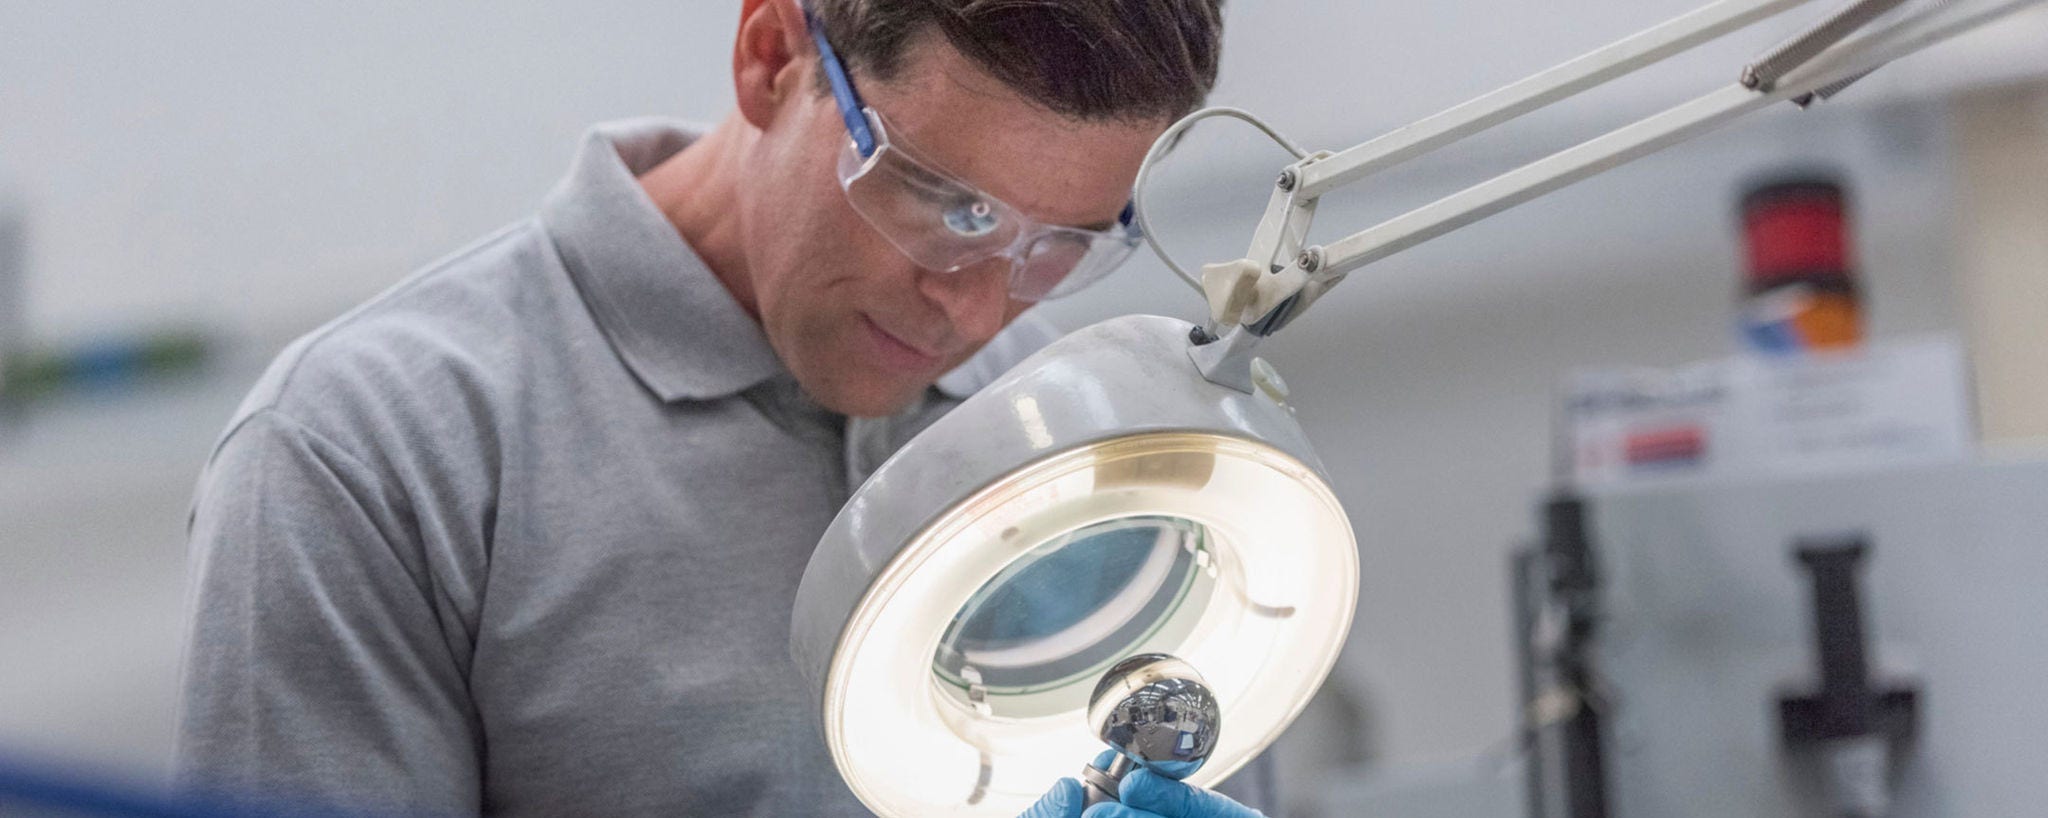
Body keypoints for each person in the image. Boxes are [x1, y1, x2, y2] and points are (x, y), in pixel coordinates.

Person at [174, 0, 1266, 816]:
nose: (976, 309)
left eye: (1057, 245)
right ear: (769, 56)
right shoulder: (369, 451)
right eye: (950, 206)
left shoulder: (1081, 442)